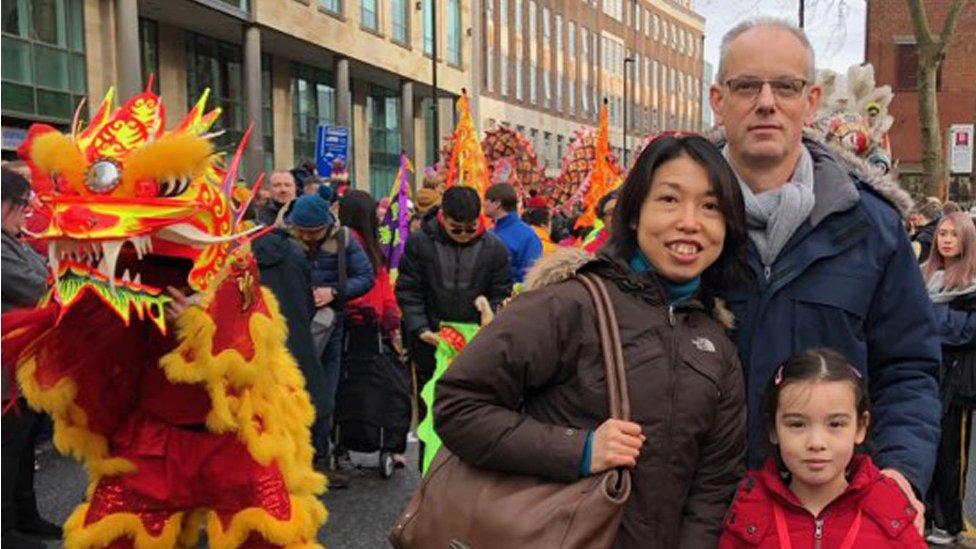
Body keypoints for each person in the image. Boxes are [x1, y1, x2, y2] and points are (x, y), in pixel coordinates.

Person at [434, 135, 750, 547]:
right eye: (669, 200)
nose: (689, 221)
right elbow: (458, 406)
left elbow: (713, 488)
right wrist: (579, 449)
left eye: (710, 206)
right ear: (634, 214)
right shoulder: (569, 303)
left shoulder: (715, 343)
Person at [710, 18, 941, 526]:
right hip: (698, 518)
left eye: (785, 86)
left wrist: (901, 470)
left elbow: (907, 367)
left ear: (810, 101)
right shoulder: (673, 229)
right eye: (747, 85)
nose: (766, 102)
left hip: (834, 518)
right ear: (717, 100)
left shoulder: (872, 228)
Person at [718, 348, 928, 548]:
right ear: (773, 429)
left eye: (835, 424)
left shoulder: (889, 511)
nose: (816, 443)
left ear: (860, 427)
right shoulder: (749, 510)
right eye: (797, 424)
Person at [395, 186, 511, 465]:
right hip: (430, 343)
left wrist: (491, 316)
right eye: (456, 228)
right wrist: (420, 328)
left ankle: (465, 479)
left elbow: (501, 293)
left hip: (475, 346)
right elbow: (409, 291)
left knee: (473, 413)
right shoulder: (420, 243)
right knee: (430, 414)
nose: (463, 234)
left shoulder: (494, 248)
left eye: (470, 228)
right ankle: (428, 475)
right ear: (442, 217)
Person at [286, 187, 375, 481]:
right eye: (304, 232)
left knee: (324, 393)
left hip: (330, 325)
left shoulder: (344, 239)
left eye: (316, 232)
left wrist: (334, 292)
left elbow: (366, 277)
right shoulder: (282, 240)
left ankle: (321, 457)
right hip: (290, 325)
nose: (310, 238)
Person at [1, 168, 60, 548]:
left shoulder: (13, 240)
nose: (29, 211)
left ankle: (25, 518)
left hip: (21, 369)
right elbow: (38, 284)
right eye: (24, 203)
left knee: (21, 452)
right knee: (6, 455)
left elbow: (46, 274)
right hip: (6, 373)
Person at [337, 190, 409, 467]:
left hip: (365, 322)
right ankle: (390, 442)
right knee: (392, 386)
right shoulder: (354, 244)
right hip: (367, 323)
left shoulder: (352, 243)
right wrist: (388, 313)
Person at [920, 212, 976, 546]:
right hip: (923, 373)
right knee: (922, 444)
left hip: (956, 382)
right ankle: (923, 512)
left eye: (954, 234)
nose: (947, 239)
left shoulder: (971, 281)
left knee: (951, 452)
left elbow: (966, 331)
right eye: (942, 233)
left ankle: (949, 519)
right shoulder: (922, 275)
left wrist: (930, 321)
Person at [485, 182, 542, 283]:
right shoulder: (490, 232)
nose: (483, 204)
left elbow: (530, 278)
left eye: (486, 200)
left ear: (497, 203)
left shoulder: (528, 236)